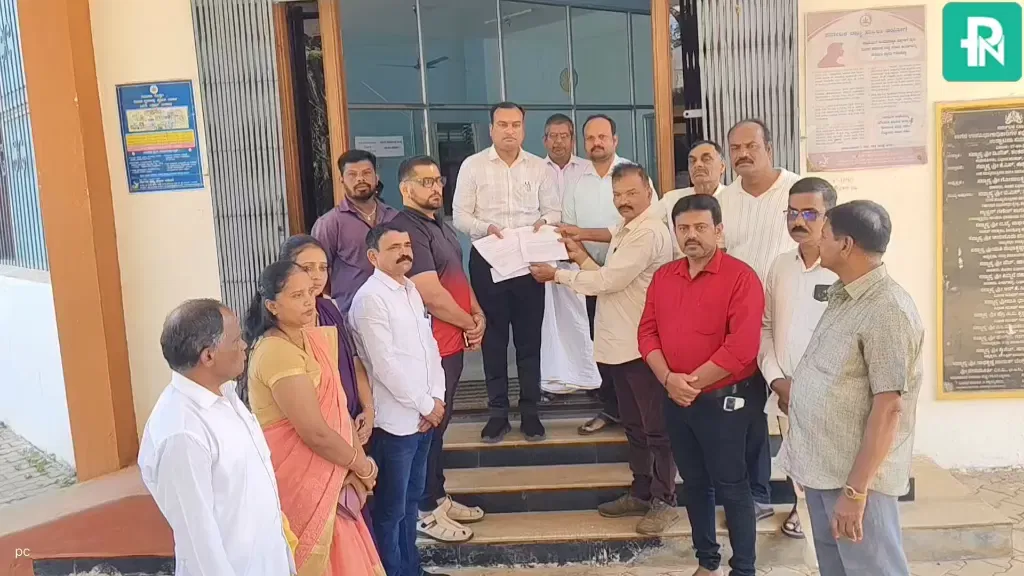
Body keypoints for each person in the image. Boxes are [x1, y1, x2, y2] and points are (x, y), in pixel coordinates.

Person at [779, 200, 923, 576]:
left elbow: (889, 408)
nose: (817, 241)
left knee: (873, 569)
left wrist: (856, 492)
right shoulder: (845, 294)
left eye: (824, 234)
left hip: (856, 481)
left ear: (845, 245)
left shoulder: (888, 310)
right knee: (838, 568)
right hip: (824, 469)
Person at [531, 162, 676, 534]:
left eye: (631, 193)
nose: (624, 200)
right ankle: (640, 491)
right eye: (617, 195)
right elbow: (603, 275)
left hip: (643, 347)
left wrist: (558, 274)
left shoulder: (649, 232)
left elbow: (608, 281)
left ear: (649, 191)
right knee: (634, 426)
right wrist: (577, 252)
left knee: (656, 430)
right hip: (618, 345)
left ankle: (664, 500)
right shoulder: (626, 228)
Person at [639, 194, 765, 576]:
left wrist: (688, 384)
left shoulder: (741, 278)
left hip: (726, 402)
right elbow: (646, 333)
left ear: (719, 230)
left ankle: (743, 569)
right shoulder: (664, 277)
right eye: (683, 228)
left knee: (732, 485)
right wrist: (668, 379)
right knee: (694, 483)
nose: (691, 235)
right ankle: (707, 562)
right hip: (677, 398)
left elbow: (742, 348)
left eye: (700, 227)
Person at [139, 299, 297, 576]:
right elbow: (199, 545)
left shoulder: (225, 395)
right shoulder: (182, 434)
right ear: (208, 356)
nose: (244, 345)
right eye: (235, 340)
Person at [245, 260, 383, 576]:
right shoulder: (275, 351)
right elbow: (315, 432)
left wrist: (358, 465)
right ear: (272, 306)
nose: (309, 301)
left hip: (335, 469)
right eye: (297, 296)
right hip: (301, 479)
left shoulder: (312, 340)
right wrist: (362, 466)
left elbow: (339, 410)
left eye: (310, 292)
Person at [390, 156, 486, 543]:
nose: (435, 188)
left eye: (438, 180)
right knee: (428, 426)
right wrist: (469, 323)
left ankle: (438, 496)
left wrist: (476, 314)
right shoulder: (406, 229)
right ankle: (424, 510)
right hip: (430, 347)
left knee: (440, 426)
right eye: (425, 181)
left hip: (452, 341)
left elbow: (457, 278)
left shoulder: (440, 226)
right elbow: (430, 292)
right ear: (405, 188)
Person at [452, 101, 560, 443]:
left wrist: (544, 222)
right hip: (489, 258)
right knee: (494, 340)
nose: (509, 130)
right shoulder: (473, 166)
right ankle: (497, 413)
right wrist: (486, 227)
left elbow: (554, 210)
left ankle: (530, 412)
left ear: (523, 129)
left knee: (529, 340)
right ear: (491, 129)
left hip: (529, 261)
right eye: (502, 124)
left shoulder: (539, 168)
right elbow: (460, 215)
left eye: (515, 124)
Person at [349, 224, 450, 576]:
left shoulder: (410, 290)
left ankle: (412, 570)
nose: (405, 251)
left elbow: (429, 348)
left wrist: (436, 398)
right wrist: (426, 405)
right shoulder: (370, 299)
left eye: (407, 245)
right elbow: (384, 365)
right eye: (394, 247)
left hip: (422, 419)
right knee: (391, 511)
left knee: (411, 503)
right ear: (373, 256)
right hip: (394, 424)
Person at [717, 118, 802, 520]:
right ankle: (757, 496)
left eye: (751, 146)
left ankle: (805, 506)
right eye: (735, 148)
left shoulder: (798, 192)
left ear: (769, 147)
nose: (743, 154)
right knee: (748, 415)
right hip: (742, 325)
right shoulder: (724, 199)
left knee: (798, 414)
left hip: (791, 320)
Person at [561, 115, 654, 433]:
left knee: (634, 349)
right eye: (590, 138)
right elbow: (570, 229)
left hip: (632, 280)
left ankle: (641, 415)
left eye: (602, 136)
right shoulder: (575, 180)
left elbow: (639, 224)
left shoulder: (633, 175)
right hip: (591, 273)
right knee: (600, 344)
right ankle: (612, 408)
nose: (596, 143)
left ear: (615, 139)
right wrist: (585, 261)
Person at [758, 177, 838, 540]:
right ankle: (800, 507)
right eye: (792, 213)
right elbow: (765, 327)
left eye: (809, 213)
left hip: (832, 395)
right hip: (786, 391)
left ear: (829, 216)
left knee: (830, 462)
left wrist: (811, 389)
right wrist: (777, 380)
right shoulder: (780, 266)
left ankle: (828, 515)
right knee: (797, 455)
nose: (798, 221)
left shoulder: (844, 268)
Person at [312, 149, 399, 314]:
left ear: (376, 177)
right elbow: (318, 272)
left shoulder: (394, 217)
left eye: (366, 173)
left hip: (396, 311)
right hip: (351, 313)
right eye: (352, 174)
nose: (360, 179)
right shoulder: (330, 223)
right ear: (341, 180)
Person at [659, 140, 727, 257]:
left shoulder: (735, 199)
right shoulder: (671, 200)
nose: (698, 165)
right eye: (692, 161)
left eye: (706, 159)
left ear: (722, 167)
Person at [542, 113, 587, 199]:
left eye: (564, 136)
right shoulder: (536, 170)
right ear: (545, 141)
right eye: (553, 136)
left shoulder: (587, 169)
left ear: (573, 141)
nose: (559, 141)